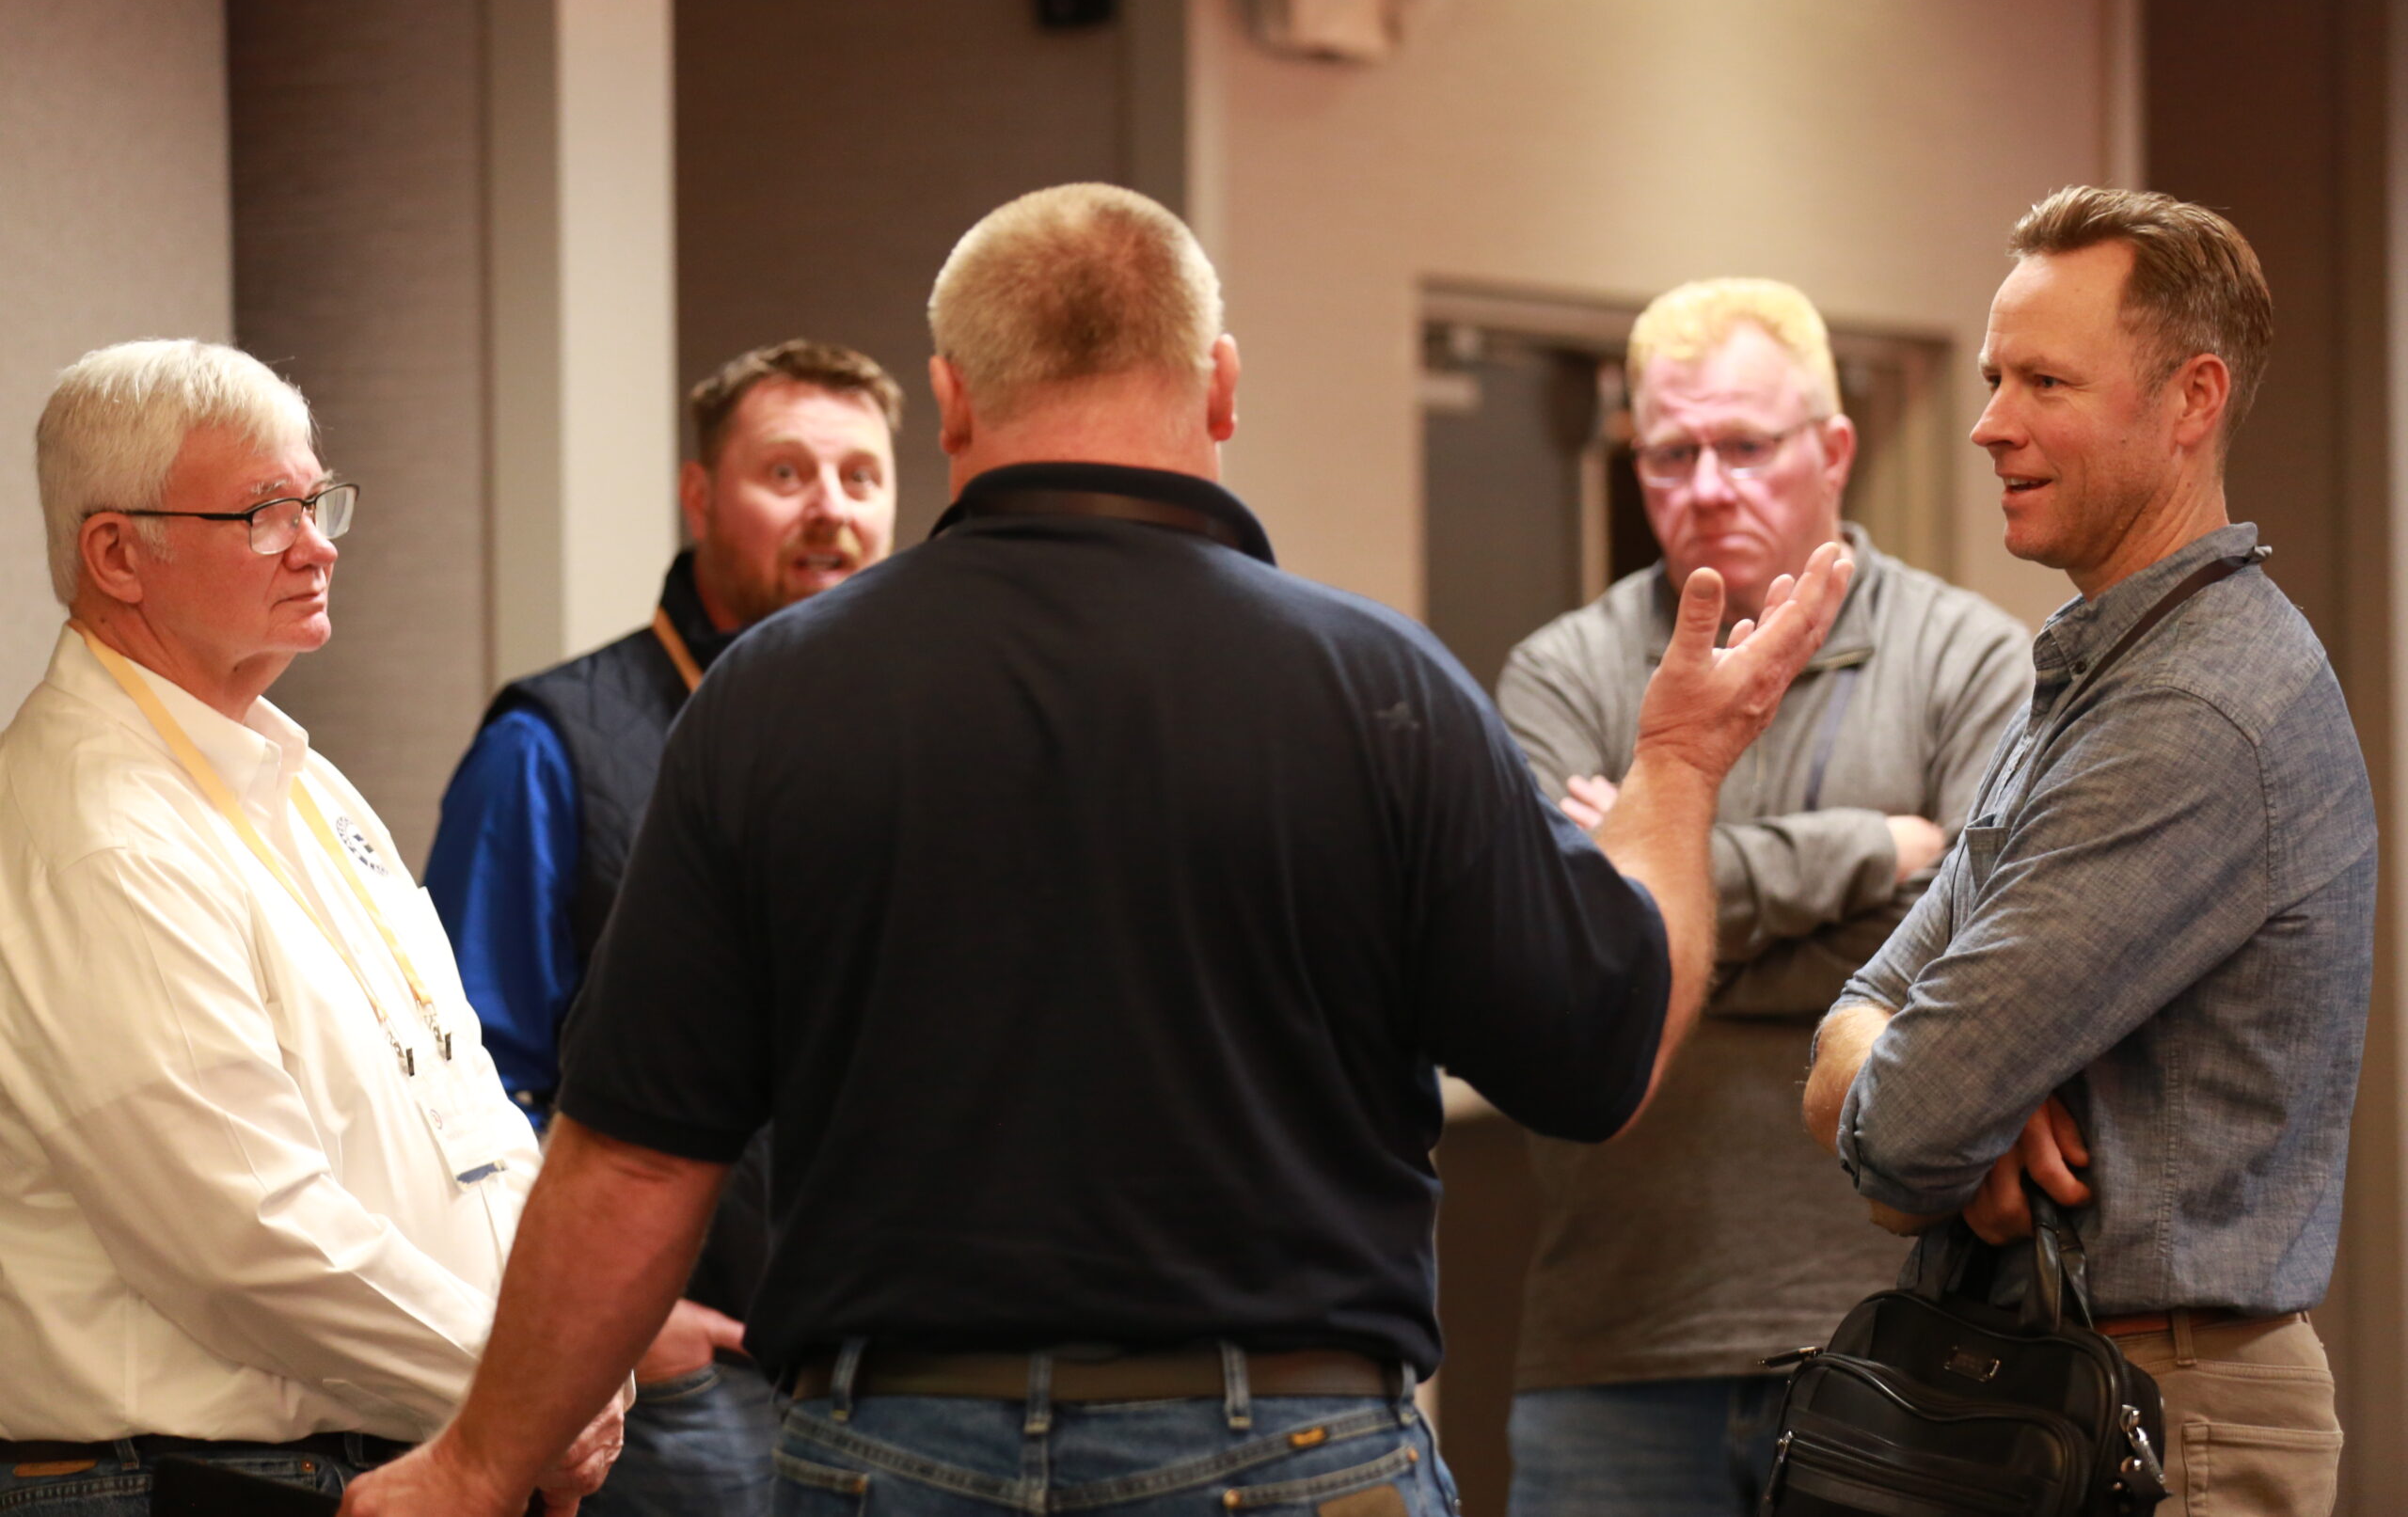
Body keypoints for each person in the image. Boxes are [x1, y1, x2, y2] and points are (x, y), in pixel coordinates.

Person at [341, 182, 1852, 1517]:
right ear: (1222, 385)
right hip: (1298, 1443)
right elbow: (1597, 1056)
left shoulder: (772, 698)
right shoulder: (1378, 689)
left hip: (892, 1442)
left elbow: (632, 1151)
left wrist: (477, 1464)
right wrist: (1677, 764)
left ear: (947, 401)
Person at [1805, 186, 2371, 1513]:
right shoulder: (2101, 676)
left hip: (2164, 1417)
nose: (1990, 420)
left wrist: (1938, 1100)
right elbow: (1863, 1031)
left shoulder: (2195, 706)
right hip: (2053, 1385)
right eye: (1998, 374)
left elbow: (1901, 1135)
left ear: (2193, 401)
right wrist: (1933, 1090)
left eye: (2046, 379)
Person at [0, 339, 617, 1510]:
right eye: (266, 512)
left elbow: (465, 1102)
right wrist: (532, 1377)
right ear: (118, 554)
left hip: (375, 1449)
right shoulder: (101, 828)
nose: (319, 543)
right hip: (181, 1480)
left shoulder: (299, 777)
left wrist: (573, 1333)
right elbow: (241, 1230)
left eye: (318, 500)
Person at [1497, 279, 2030, 1517]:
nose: (1706, 484)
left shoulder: (1969, 660)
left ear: (1832, 450)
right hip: (1614, 1347)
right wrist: (1872, 850)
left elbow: (1985, 970)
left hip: (1905, 1346)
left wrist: (1665, 892)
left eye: (1745, 445)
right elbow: (1568, 964)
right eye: (1670, 451)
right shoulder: (1562, 673)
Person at [424, 339, 903, 1517]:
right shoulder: (551, 744)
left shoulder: (920, 742)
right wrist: (634, 1329)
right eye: (786, 474)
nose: (829, 511)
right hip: (680, 1388)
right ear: (700, 496)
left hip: (898, 1374)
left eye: (860, 478)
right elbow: (466, 1084)